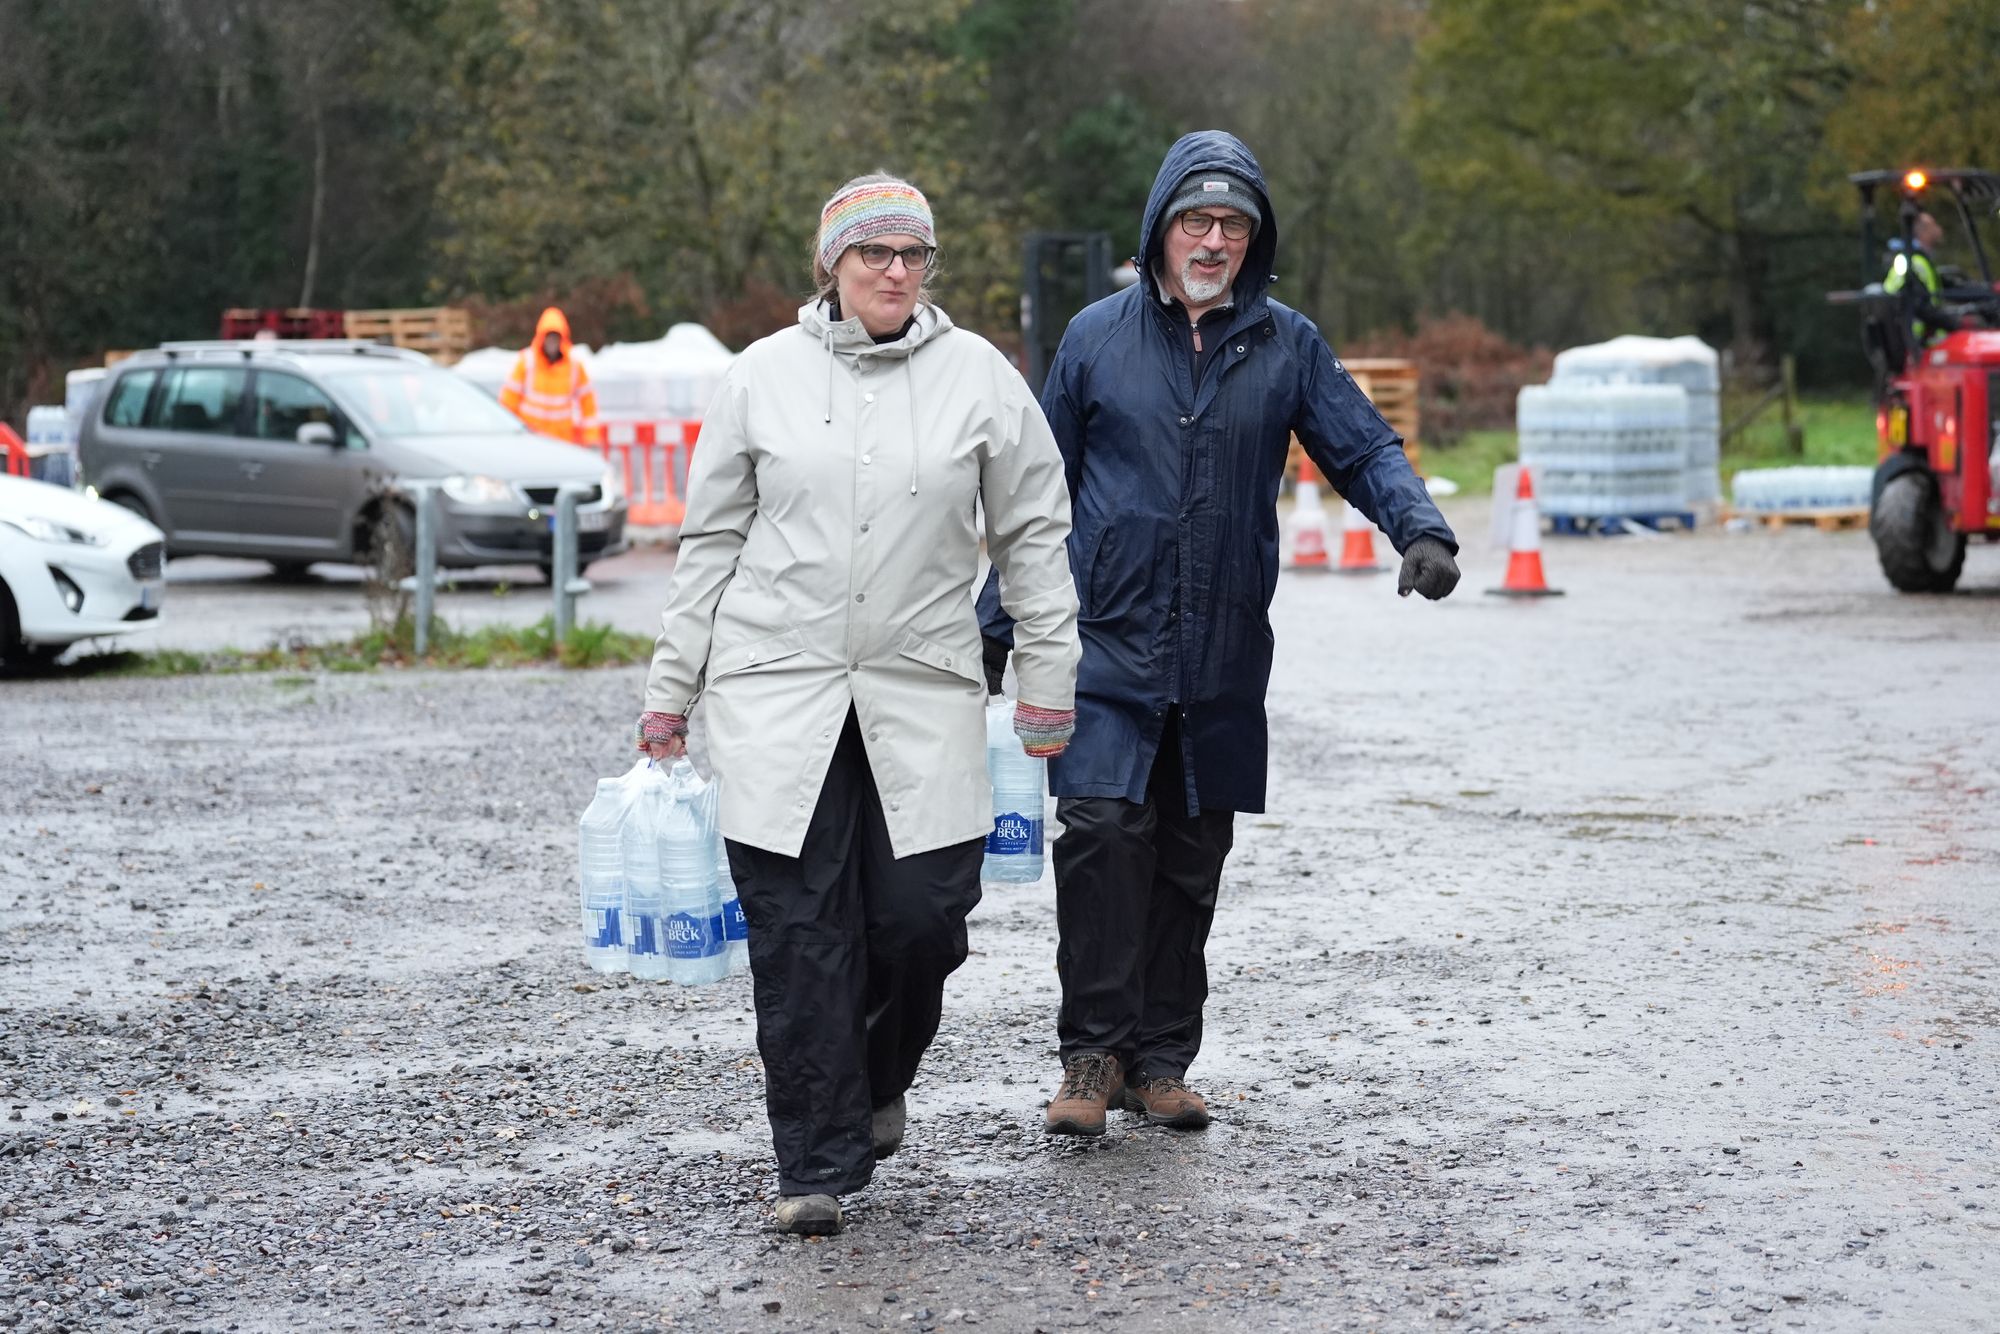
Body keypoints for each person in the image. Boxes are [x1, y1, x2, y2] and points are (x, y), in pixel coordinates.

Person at [978, 130, 1461, 1139]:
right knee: (1103, 836)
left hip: (1222, 642)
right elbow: (1034, 492)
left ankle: (1160, 1059)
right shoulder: (1093, 339)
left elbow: (1361, 444)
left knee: (1190, 853)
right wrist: (993, 623)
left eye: (1232, 225)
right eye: (1195, 220)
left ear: (1254, 238)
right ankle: (1090, 1056)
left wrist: (1418, 525)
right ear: (1161, 227)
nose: (1212, 240)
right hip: (1103, 637)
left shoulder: (1285, 342)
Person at [635, 174, 1081, 1236]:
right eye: (870, 253)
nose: (891, 271)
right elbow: (709, 545)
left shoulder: (979, 376)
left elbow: (1032, 537)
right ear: (829, 265)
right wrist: (669, 692)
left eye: (910, 254)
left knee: (921, 916)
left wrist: (1046, 685)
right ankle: (814, 1160)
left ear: (928, 268)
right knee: (800, 933)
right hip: (773, 694)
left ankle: (877, 1079)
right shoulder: (760, 379)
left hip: (918, 688)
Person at [499, 306, 604, 445]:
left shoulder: (574, 366)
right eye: (549, 337)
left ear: (562, 339)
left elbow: (588, 403)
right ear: (541, 338)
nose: (552, 342)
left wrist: (591, 437)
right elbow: (508, 401)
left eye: (556, 338)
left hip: (561, 440)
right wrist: (507, 432)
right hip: (531, 438)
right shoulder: (527, 362)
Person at [1882, 210, 1964, 349]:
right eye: (1934, 225)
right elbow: (1920, 306)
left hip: (1920, 339)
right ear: (1923, 232)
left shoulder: (1919, 261)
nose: (1939, 229)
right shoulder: (1913, 264)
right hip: (1919, 341)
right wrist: (1955, 325)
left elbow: (1948, 287)